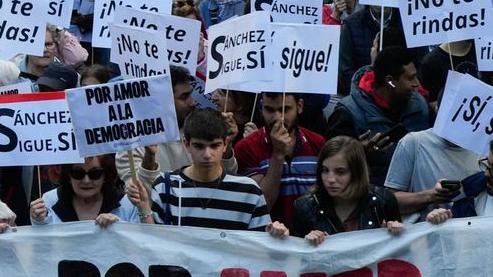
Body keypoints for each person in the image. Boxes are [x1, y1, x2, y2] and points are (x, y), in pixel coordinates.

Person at [127, 108, 282, 233]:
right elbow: (154, 243)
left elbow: (260, 250)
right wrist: (143, 207)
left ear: (225, 144)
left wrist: (276, 234)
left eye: (214, 145)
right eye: (199, 146)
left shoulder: (249, 191)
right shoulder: (166, 186)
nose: (207, 155)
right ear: (186, 144)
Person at [328, 45, 432, 185]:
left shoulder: (421, 106)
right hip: (371, 198)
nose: (417, 84)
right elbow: (331, 162)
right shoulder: (348, 112)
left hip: (419, 195)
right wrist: (359, 152)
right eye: (410, 78)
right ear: (390, 81)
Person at [116, 68, 239, 186]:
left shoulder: (197, 129)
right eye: (184, 97)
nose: (192, 102)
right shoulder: (133, 142)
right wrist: (149, 157)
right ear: (161, 101)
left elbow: (226, 181)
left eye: (190, 95)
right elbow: (139, 194)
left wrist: (226, 149)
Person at [288, 136, 404, 244]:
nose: (330, 179)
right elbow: (293, 259)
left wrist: (396, 233)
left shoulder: (383, 201)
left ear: (357, 172)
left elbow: (401, 255)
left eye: (340, 172)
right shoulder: (304, 207)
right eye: (325, 170)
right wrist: (305, 243)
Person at [236, 92, 326, 224]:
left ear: (299, 106)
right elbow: (261, 205)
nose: (278, 118)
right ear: (261, 107)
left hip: (313, 236)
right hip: (270, 236)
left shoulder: (318, 143)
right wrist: (278, 155)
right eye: (270, 110)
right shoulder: (247, 147)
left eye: (285, 109)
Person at [384, 126, 479, 223]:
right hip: (422, 234)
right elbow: (389, 203)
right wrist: (431, 196)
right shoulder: (414, 142)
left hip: (467, 234)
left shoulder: (485, 150)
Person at [30, 155, 139, 226]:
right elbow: (42, 248)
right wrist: (38, 221)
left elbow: (138, 245)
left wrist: (119, 226)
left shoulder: (126, 203)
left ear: (105, 175)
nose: (86, 181)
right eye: (78, 173)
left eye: (94, 174)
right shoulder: (49, 200)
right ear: (68, 175)